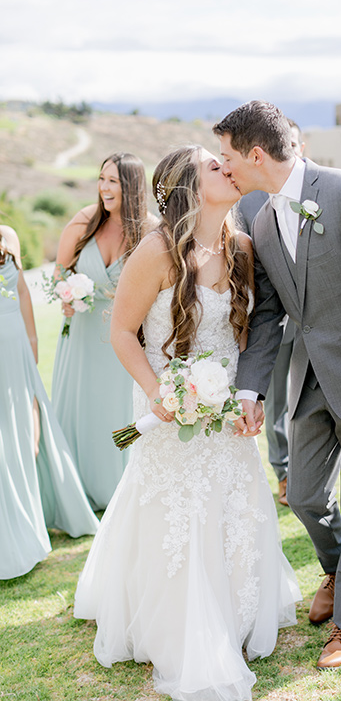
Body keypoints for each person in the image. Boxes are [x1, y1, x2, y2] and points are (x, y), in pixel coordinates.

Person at [73, 145, 301, 701]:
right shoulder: (155, 251)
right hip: (166, 405)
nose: (227, 167)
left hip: (225, 410)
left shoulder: (242, 246)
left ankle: (237, 609)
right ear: (185, 187)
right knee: (181, 509)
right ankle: (183, 622)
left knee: (234, 501)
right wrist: (159, 393)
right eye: (212, 165)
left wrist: (248, 396)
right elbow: (123, 333)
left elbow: (249, 334)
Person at [213, 100, 341, 669]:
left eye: (228, 157)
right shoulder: (259, 217)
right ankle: (338, 568)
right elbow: (267, 315)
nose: (224, 167)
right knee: (303, 495)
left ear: (256, 154)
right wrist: (252, 390)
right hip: (309, 383)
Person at [51, 152, 156, 511]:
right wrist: (67, 295)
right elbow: (59, 273)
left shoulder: (151, 231)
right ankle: (74, 489)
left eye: (113, 181)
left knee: (114, 409)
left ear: (132, 185)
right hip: (81, 334)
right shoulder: (84, 221)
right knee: (79, 408)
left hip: (121, 341)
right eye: (101, 179)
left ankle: (117, 489)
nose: (105, 188)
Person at [0, 224, 98, 580]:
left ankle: (31, 515)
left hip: (17, 350)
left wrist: (32, 342)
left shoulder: (8, 234)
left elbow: (22, 291)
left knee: (26, 433)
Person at [236, 120, 305, 506]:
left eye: (294, 144)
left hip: (318, 324)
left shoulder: (325, 191)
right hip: (271, 318)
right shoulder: (247, 201)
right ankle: (283, 472)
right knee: (277, 402)